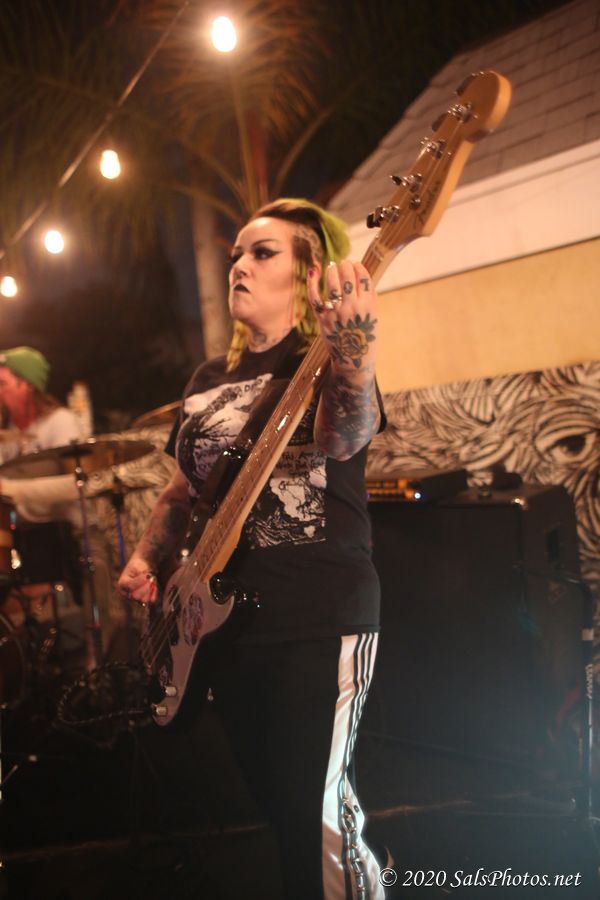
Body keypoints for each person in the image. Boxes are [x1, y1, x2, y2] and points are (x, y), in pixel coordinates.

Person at [118, 198, 387, 899]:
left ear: (308, 272)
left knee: (314, 809)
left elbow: (344, 439)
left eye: (262, 252)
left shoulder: (321, 359)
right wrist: (148, 558)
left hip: (316, 613)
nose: (239, 264)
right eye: (236, 253)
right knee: (277, 804)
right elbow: (181, 492)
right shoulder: (208, 380)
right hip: (222, 628)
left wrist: (354, 355)